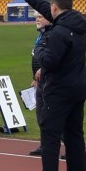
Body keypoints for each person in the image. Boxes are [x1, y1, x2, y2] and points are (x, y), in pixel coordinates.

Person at [17, 0, 86, 171]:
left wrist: (38, 49)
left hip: (58, 92)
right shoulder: (77, 25)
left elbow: (49, 61)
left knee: (50, 139)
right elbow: (43, 6)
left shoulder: (58, 32)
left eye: (50, 9)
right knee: (75, 137)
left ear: (55, 9)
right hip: (78, 88)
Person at [28, 11, 51, 156]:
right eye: (36, 17)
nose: (37, 19)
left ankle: (71, 147)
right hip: (40, 82)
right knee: (41, 116)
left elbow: (54, 57)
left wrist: (44, 69)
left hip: (50, 82)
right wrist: (34, 77)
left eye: (40, 17)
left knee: (50, 117)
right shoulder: (41, 35)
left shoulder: (52, 35)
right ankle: (45, 145)